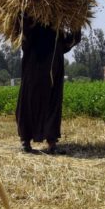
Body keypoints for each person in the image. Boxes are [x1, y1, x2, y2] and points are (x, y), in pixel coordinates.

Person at [16, 15, 81, 154]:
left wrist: (78, 23)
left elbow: (70, 41)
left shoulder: (55, 30)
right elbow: (70, 42)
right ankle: (32, 141)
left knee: (45, 102)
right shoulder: (31, 25)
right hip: (36, 69)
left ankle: (44, 141)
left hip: (48, 70)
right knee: (37, 102)